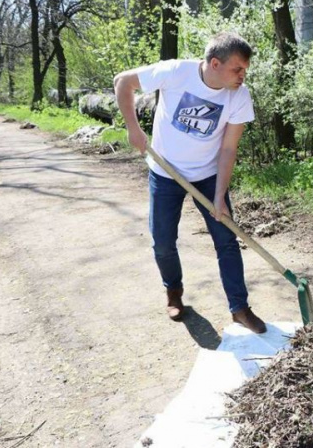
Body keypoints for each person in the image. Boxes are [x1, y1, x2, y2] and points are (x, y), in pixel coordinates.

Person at [113, 32, 266, 333]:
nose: (242, 76)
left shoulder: (239, 95)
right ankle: (174, 292)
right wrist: (134, 129)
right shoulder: (177, 72)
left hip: (208, 176)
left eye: (245, 70)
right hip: (165, 172)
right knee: (163, 242)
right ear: (214, 63)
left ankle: (239, 307)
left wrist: (220, 195)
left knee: (227, 240)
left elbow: (228, 148)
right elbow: (123, 82)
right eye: (237, 69)